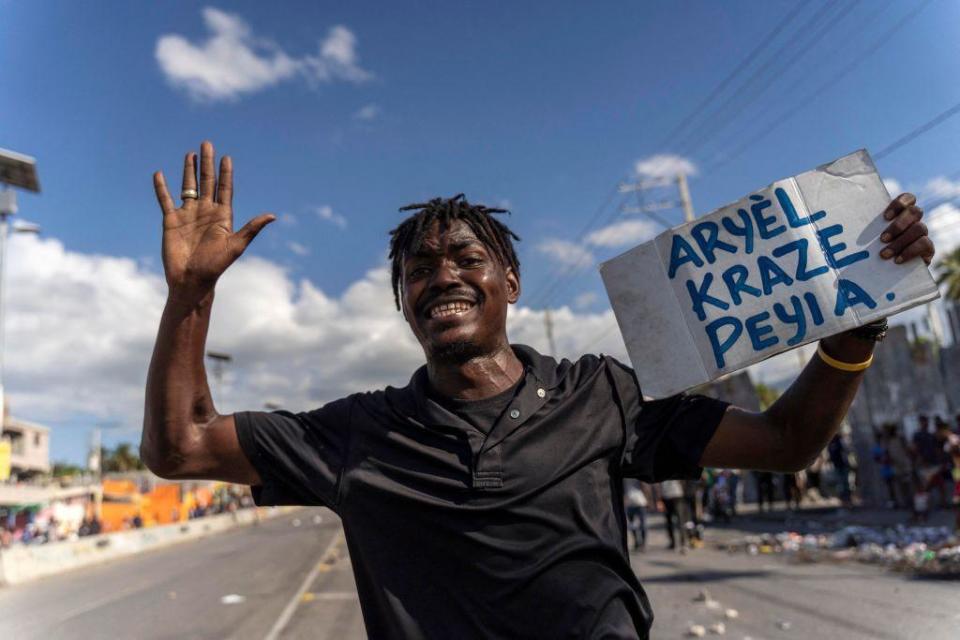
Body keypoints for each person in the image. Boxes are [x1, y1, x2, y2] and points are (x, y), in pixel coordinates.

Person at [140, 142, 935, 639]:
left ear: (509, 282)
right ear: (403, 304)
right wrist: (191, 295)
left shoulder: (603, 395)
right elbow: (180, 447)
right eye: (418, 270)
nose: (441, 275)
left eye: (463, 258)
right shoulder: (358, 431)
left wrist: (853, 328)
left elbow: (785, 445)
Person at [623, 479, 647, 551]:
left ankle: (643, 543)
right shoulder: (623, 477)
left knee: (642, 524)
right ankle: (636, 542)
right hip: (629, 502)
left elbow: (645, 486)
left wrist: (648, 499)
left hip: (640, 501)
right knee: (632, 525)